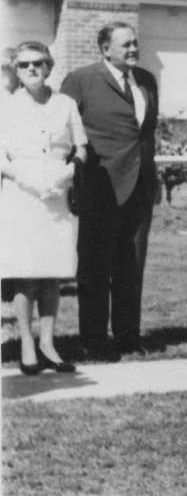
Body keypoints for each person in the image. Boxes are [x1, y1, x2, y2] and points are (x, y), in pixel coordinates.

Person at [61, 21, 158, 362]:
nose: (134, 49)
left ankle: (128, 337)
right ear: (105, 49)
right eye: (126, 45)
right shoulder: (80, 80)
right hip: (99, 186)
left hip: (140, 187)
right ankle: (93, 340)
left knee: (130, 268)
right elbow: (65, 131)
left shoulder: (146, 80)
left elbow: (144, 135)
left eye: (135, 43)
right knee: (94, 268)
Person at [0, 42, 83, 374]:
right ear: (17, 71)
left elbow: (82, 147)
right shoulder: (6, 106)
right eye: (24, 65)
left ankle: (48, 343)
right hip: (22, 192)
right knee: (25, 271)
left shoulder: (65, 104)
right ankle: (27, 343)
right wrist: (26, 180)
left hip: (57, 191)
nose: (31, 69)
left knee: (52, 270)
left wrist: (68, 173)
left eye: (38, 63)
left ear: (49, 67)